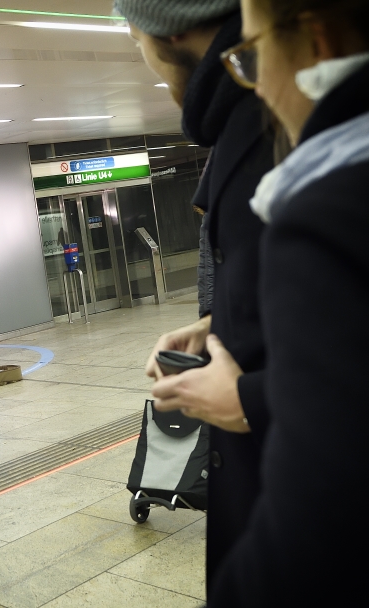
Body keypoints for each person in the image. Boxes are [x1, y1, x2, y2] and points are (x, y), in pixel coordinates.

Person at [202, 0, 369, 603]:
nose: (257, 86)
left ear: (317, 42)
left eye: (251, 56)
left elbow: (320, 540)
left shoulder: (337, 219)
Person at [115, 0, 275, 587]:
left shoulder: (273, 126)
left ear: (169, 27)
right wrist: (217, 324)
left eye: (135, 38)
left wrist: (251, 401)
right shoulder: (237, 129)